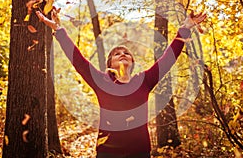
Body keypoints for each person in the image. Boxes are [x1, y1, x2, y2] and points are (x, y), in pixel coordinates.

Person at [36, 9, 206, 158]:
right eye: (117, 53)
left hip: (140, 152)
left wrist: (185, 28)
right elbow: (78, 60)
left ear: (132, 61)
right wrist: (58, 30)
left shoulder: (144, 80)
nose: (122, 54)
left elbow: (168, 59)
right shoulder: (101, 81)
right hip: (107, 153)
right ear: (110, 63)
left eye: (126, 53)